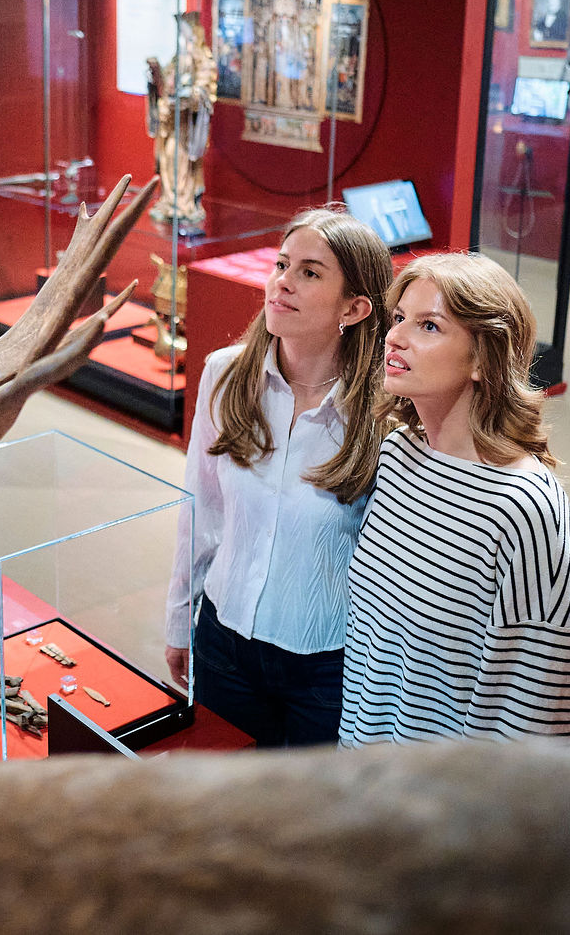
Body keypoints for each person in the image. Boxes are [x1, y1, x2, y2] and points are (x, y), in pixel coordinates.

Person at [164, 207, 394, 747]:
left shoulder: (385, 414)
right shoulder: (226, 373)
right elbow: (200, 509)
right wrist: (180, 620)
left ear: (356, 307)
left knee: (304, 821)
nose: (282, 283)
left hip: (328, 667)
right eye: (282, 264)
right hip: (223, 643)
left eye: (310, 273)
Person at [338, 253, 570, 746]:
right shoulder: (397, 456)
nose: (396, 337)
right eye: (399, 318)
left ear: (482, 358)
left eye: (429, 325)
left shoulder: (525, 507)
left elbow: (532, 717)